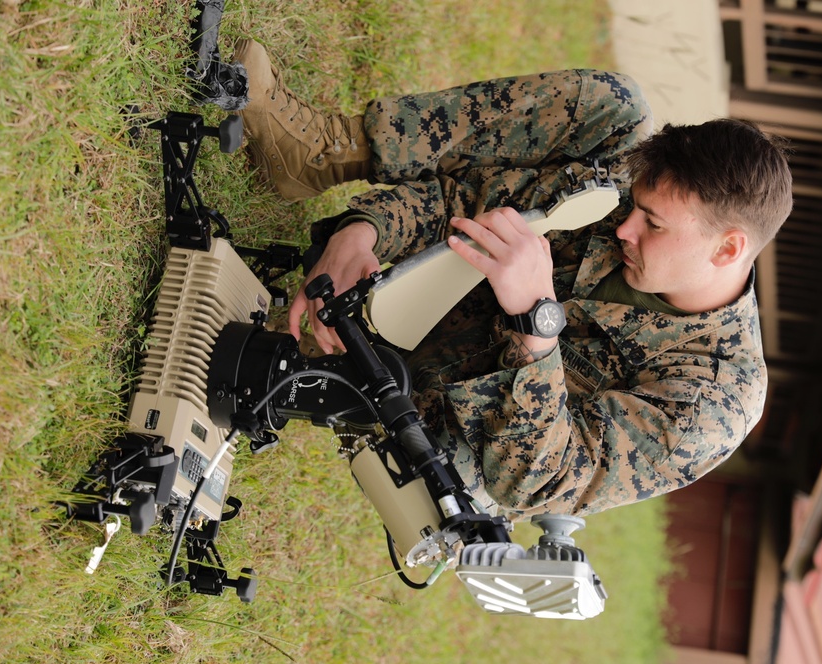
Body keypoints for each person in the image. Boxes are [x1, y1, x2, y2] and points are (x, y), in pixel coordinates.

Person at [232, 39, 793, 519]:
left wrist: (536, 331)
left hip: (432, 411)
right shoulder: (626, 193)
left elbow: (538, 483)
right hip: (412, 289)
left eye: (654, 223)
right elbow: (469, 206)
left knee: (464, 475)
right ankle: (316, 154)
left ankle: (308, 374)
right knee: (617, 107)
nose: (624, 227)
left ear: (729, 248)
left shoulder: (716, 397)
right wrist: (365, 230)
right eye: (636, 206)